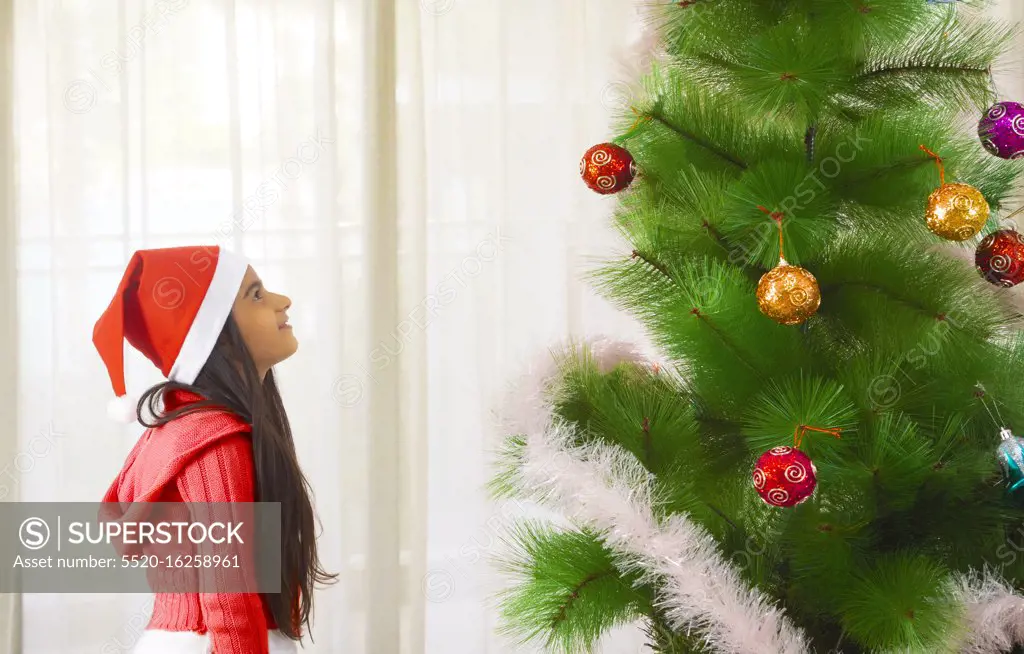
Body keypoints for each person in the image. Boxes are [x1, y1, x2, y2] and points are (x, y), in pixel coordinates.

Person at [93, 245, 337, 653]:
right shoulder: (215, 446)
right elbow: (229, 599)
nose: (283, 302)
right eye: (255, 295)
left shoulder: (182, 429)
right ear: (216, 339)